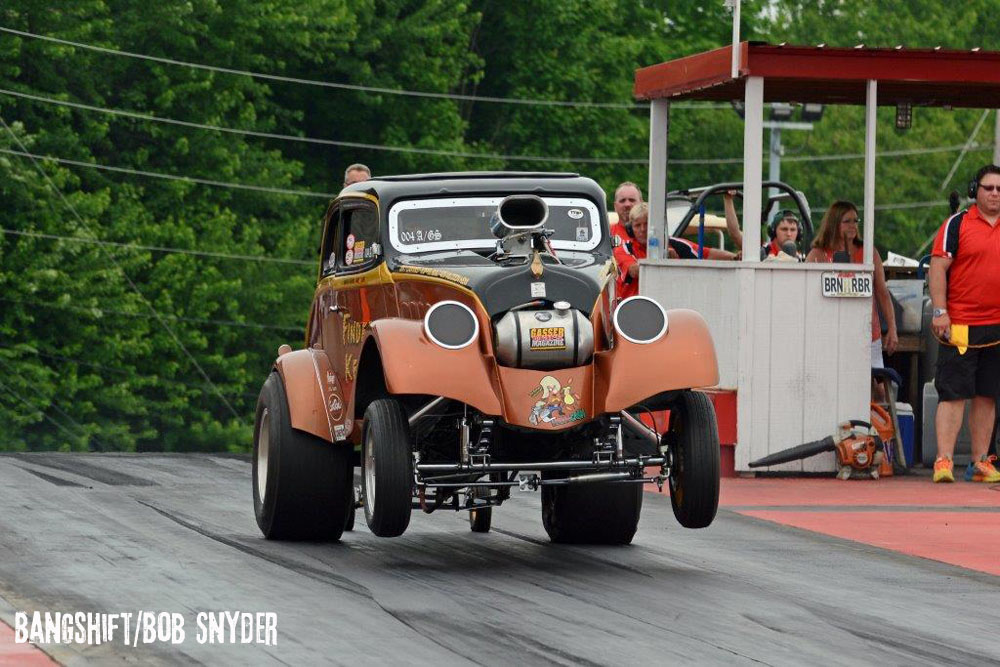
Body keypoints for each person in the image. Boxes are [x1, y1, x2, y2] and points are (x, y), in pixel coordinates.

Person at [926, 164, 1000, 483]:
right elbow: (938, 268)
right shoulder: (956, 224)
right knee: (953, 393)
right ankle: (943, 460)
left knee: (987, 395)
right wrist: (940, 311)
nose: (995, 194)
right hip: (961, 324)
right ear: (975, 190)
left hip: (996, 326)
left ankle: (980, 461)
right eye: (988, 188)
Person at [805, 201, 898, 368]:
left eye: (855, 221)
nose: (853, 225)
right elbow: (807, 295)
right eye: (847, 221)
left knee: (877, 389)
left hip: (868, 334)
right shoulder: (817, 254)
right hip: (830, 334)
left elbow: (882, 292)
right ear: (834, 223)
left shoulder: (869, 252)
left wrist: (892, 328)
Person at [723, 191, 802, 260]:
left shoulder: (801, 258)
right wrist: (728, 199)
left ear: (798, 233)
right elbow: (735, 234)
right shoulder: (761, 252)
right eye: (784, 229)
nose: (789, 234)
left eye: (793, 230)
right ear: (773, 232)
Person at [614, 202, 649, 300]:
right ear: (630, 229)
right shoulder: (624, 248)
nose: (643, 229)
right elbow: (634, 271)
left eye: (647, 224)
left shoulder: (671, 245)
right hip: (631, 308)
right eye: (637, 225)